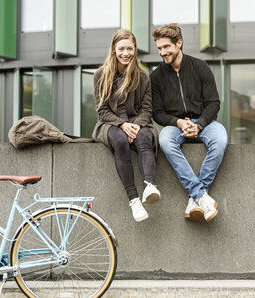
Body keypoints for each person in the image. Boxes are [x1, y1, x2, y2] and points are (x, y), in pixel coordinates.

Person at [150, 23, 227, 222]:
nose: (162, 52)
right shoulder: (156, 77)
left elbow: (213, 103)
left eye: (166, 46)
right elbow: (157, 113)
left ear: (179, 43)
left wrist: (199, 124)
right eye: (159, 48)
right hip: (175, 126)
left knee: (220, 140)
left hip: (205, 122)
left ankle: (195, 199)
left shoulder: (200, 67)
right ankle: (201, 195)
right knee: (165, 141)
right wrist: (178, 123)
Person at [92, 29, 160, 222]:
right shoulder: (100, 75)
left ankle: (150, 185)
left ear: (135, 50)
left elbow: (147, 110)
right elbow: (102, 111)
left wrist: (135, 126)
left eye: (130, 48)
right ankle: (134, 200)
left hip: (138, 123)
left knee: (146, 137)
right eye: (121, 48)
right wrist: (123, 125)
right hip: (110, 124)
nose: (125, 53)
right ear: (114, 49)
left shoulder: (143, 77)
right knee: (120, 141)